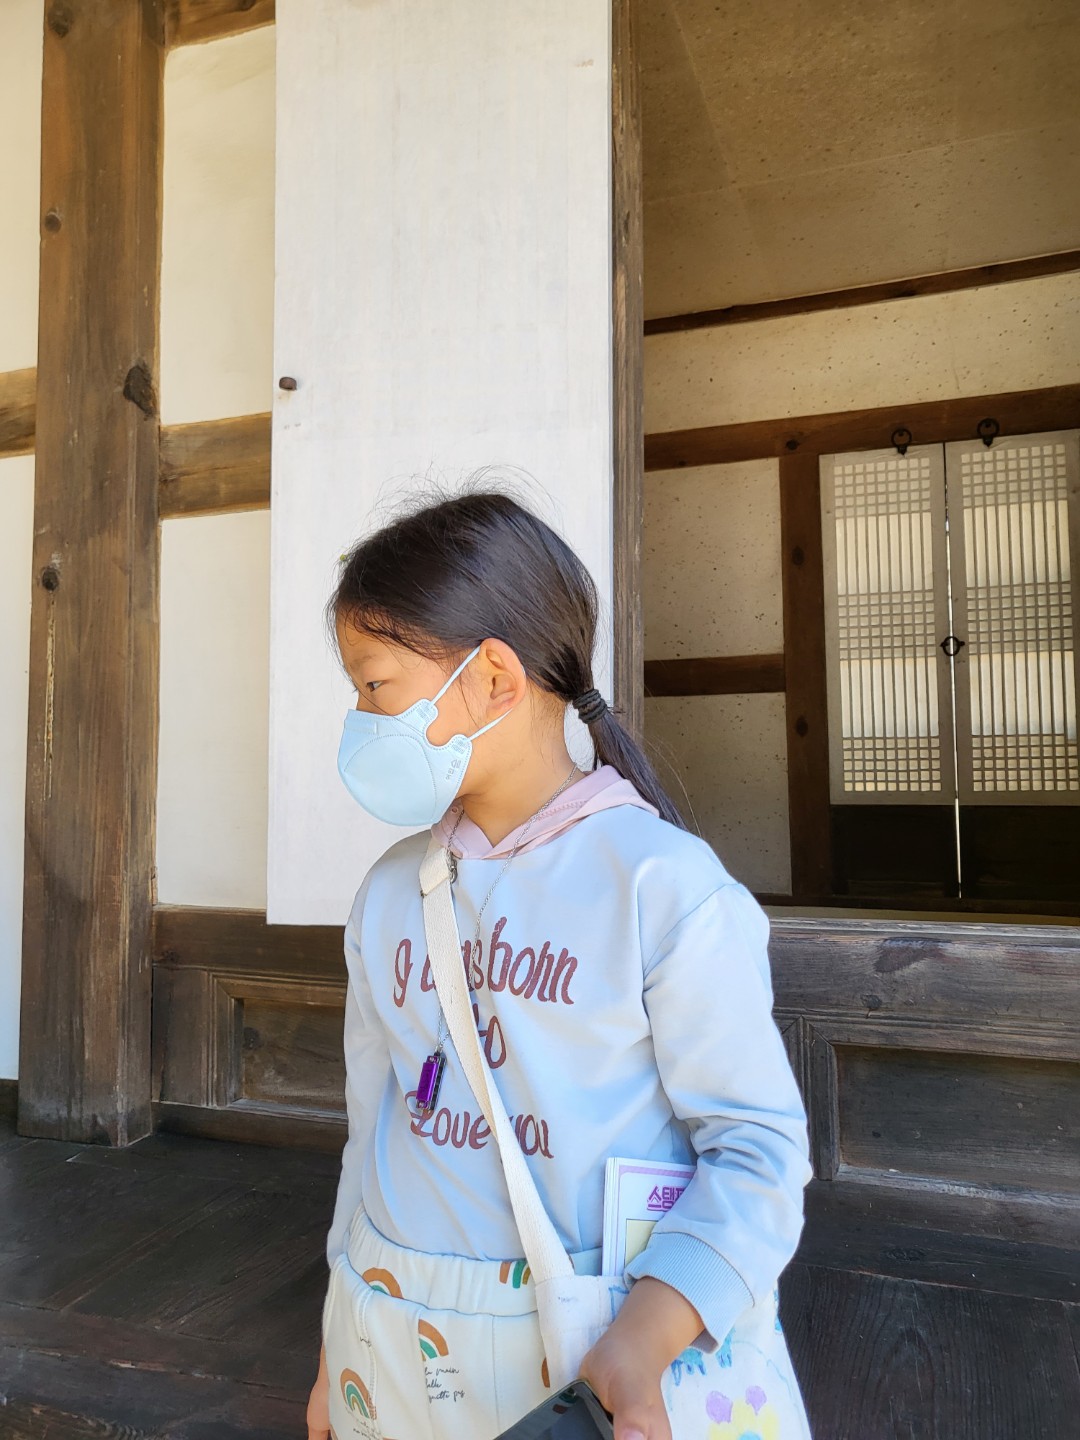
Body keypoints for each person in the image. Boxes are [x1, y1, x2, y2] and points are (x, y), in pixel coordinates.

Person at [306, 486, 813, 1440]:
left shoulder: (662, 887)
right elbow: (371, 1134)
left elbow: (757, 1151)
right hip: (392, 1348)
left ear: (494, 678)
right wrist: (342, 1346)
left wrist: (648, 1336)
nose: (361, 717)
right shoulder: (387, 896)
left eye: (374, 686)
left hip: (597, 1361)